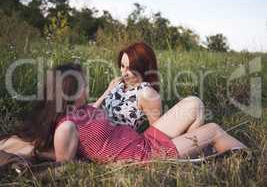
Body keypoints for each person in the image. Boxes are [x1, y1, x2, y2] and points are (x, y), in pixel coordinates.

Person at [1, 63, 247, 163]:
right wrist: (34, 151)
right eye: (83, 84)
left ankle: (197, 153)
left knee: (193, 102)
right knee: (214, 129)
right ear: (71, 91)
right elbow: (64, 160)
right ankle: (246, 157)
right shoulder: (66, 126)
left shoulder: (82, 110)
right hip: (145, 155)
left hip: (145, 140)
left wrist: (107, 92)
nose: (87, 87)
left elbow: (93, 112)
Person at [93, 42, 205, 134]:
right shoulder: (117, 83)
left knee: (196, 105)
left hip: (117, 140)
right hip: (96, 129)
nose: (124, 73)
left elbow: (156, 133)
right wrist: (107, 91)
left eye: (131, 68)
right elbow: (95, 108)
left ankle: (193, 145)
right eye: (122, 66)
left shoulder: (146, 93)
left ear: (143, 68)